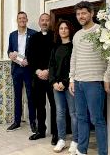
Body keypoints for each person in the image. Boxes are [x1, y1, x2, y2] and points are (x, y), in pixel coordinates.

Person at [69, 1, 110, 155]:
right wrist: (71, 79)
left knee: (97, 120)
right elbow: (74, 58)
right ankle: (82, 150)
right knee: (81, 118)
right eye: (78, 14)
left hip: (94, 83)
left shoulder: (101, 31)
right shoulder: (76, 35)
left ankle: (103, 153)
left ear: (91, 14)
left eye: (83, 13)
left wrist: (107, 78)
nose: (80, 16)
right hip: (78, 82)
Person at [27, 13, 58, 145]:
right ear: (39, 22)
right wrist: (38, 71)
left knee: (55, 106)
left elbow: (57, 57)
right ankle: (40, 131)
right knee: (39, 105)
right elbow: (30, 56)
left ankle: (56, 133)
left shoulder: (55, 37)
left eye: (47, 20)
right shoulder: (33, 37)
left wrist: (48, 71)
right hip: (38, 77)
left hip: (52, 78)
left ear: (50, 22)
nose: (45, 22)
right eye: (42, 20)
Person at [49, 20, 78, 154]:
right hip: (56, 86)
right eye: (61, 28)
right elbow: (52, 66)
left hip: (70, 85)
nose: (64, 30)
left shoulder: (74, 47)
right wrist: (54, 82)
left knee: (73, 114)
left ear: (69, 30)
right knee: (60, 114)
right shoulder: (55, 47)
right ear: (58, 31)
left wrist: (64, 82)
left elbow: (74, 67)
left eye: (66, 28)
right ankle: (61, 139)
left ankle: (75, 141)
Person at [6, 11, 37, 133]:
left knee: (30, 96)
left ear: (27, 19)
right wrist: (10, 55)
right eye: (20, 18)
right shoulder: (12, 35)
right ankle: (17, 122)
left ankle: (33, 122)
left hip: (29, 69)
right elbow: (9, 50)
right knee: (17, 96)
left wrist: (29, 61)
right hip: (16, 69)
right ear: (17, 20)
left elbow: (35, 53)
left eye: (24, 18)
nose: (22, 20)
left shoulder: (34, 34)